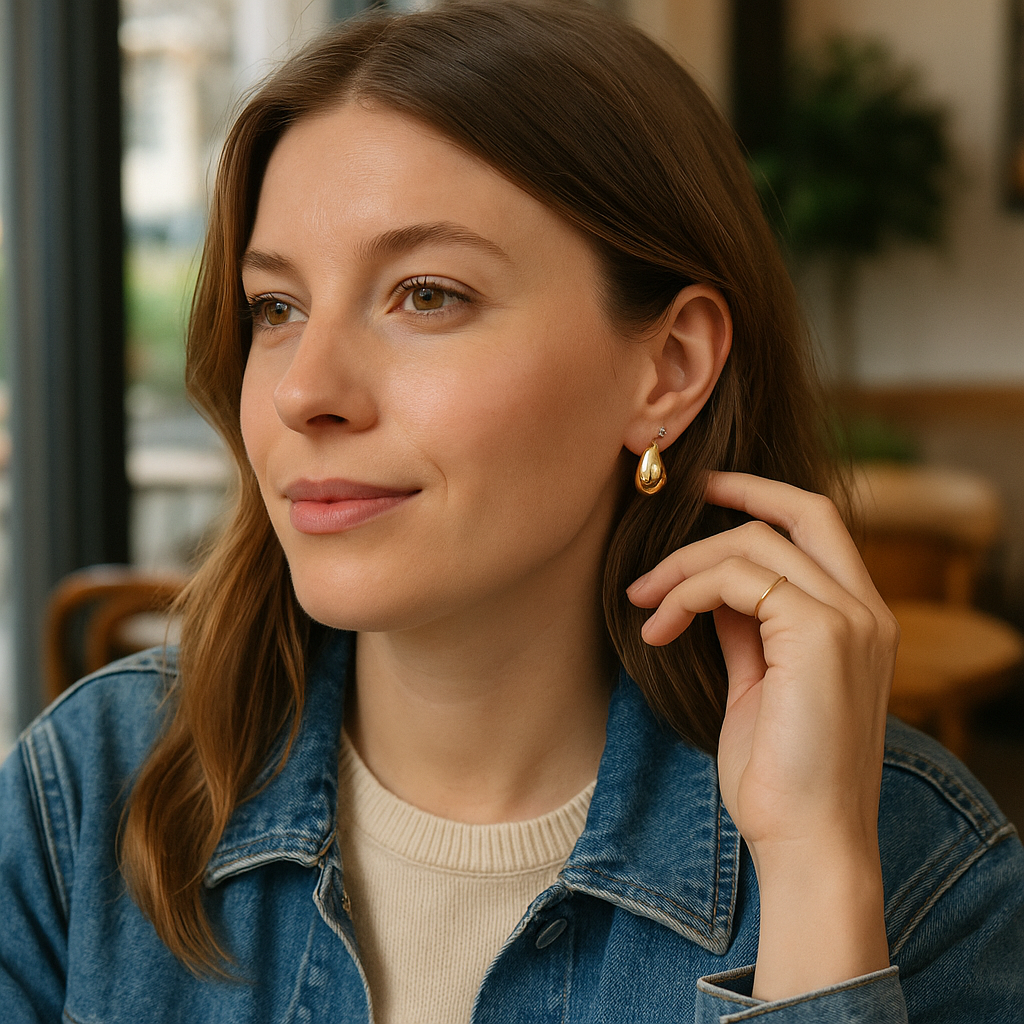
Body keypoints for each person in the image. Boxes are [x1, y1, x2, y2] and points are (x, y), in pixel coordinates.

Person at [2, 2, 1022, 1021]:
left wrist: (814, 881)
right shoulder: (86, 795)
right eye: (277, 307)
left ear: (668, 369)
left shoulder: (924, 873)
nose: (303, 390)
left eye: (427, 294)